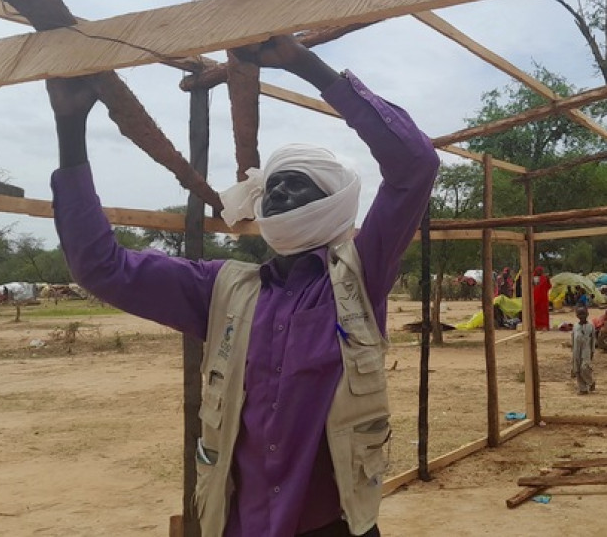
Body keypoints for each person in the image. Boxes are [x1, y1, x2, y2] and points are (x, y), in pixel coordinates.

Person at [49, 35, 439, 537]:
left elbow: (415, 164)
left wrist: (306, 65)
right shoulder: (223, 290)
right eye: (271, 185)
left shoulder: (359, 276)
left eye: (294, 182)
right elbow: (101, 267)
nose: (276, 192)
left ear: (331, 202)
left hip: (333, 526)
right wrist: (70, 126)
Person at [571, 305, 597, 394]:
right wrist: (573, 353)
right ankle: (583, 389)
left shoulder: (591, 326)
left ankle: (590, 382)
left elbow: (593, 340)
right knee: (577, 369)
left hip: (586, 350)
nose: (582, 316)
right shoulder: (575, 326)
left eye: (583, 314)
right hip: (576, 350)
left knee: (585, 368)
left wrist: (592, 351)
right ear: (577, 315)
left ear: (587, 314)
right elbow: (573, 339)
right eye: (579, 314)